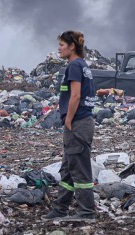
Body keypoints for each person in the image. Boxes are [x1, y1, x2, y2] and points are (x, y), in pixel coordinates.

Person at [43, 31, 98, 222]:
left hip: (77, 123)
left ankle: (86, 212)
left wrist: (68, 120)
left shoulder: (74, 65)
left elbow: (75, 96)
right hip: (82, 122)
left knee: (80, 169)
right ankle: (60, 208)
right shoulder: (83, 65)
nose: (58, 48)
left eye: (61, 45)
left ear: (71, 46)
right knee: (67, 169)